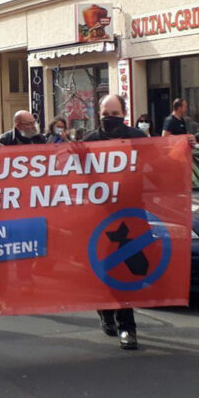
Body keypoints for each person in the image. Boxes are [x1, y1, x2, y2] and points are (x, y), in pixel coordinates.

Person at [83, 94, 146, 351]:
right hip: (99, 216)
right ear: (98, 114)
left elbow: (162, 161)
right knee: (103, 269)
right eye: (105, 113)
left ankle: (127, 328)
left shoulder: (138, 139)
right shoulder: (89, 141)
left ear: (124, 113)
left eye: (114, 113)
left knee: (124, 271)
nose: (110, 118)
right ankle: (105, 310)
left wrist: (184, 145)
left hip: (130, 215)